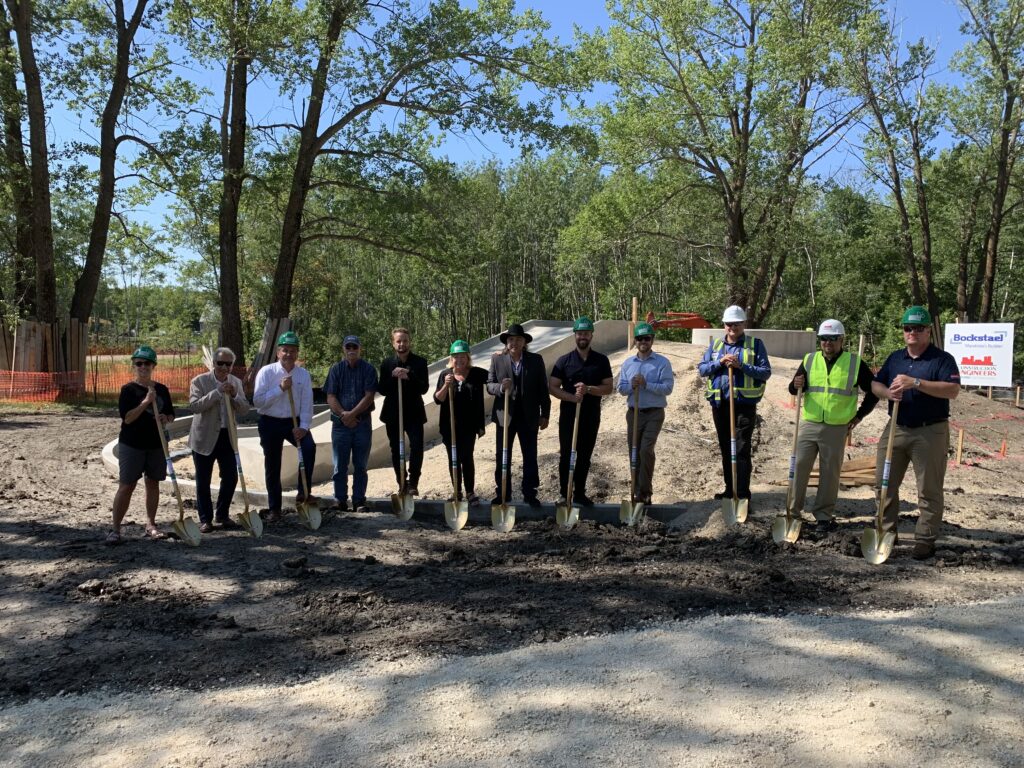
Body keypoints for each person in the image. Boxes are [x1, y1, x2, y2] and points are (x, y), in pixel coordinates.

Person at [871, 306, 960, 560]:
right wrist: (887, 393)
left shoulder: (942, 360)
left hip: (930, 431)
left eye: (918, 328)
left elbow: (952, 390)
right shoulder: (896, 358)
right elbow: (875, 383)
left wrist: (915, 383)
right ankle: (886, 531)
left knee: (929, 488)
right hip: (897, 427)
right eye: (908, 328)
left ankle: (925, 539)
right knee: (883, 483)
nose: (912, 332)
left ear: (928, 331)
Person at [787, 319, 878, 530]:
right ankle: (792, 512)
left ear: (841, 340)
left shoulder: (855, 363)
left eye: (832, 339)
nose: (827, 343)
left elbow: (873, 393)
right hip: (809, 422)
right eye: (824, 339)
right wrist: (795, 384)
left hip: (837, 427)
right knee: (799, 467)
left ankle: (823, 516)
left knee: (830, 472)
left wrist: (858, 417)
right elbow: (794, 389)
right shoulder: (809, 360)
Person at [697, 305, 772, 506]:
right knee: (725, 448)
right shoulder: (716, 347)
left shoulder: (755, 345)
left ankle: (742, 493)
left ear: (744, 324)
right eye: (729, 324)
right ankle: (729, 490)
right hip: (721, 405)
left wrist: (741, 366)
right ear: (724, 325)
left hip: (744, 405)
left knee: (740, 448)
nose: (733, 327)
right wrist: (720, 362)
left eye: (737, 324)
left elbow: (765, 372)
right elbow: (702, 369)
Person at [109, 345, 175, 543]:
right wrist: (146, 402)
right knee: (126, 486)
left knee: (153, 483)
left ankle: (151, 525)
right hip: (132, 445)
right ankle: (115, 529)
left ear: (153, 365)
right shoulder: (128, 390)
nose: (143, 367)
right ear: (134, 366)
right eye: (139, 363)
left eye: (147, 363)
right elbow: (128, 418)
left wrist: (166, 418)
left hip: (156, 444)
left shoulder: (162, 389)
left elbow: (171, 414)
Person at [549, 316, 614, 505]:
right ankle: (564, 493)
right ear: (575, 335)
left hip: (591, 416)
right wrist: (571, 397)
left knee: (585, 456)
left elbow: (608, 387)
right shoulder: (564, 361)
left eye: (586, 333)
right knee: (567, 455)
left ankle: (579, 493)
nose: (582, 337)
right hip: (569, 416)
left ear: (591, 335)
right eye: (579, 334)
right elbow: (552, 386)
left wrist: (589, 390)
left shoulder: (601, 361)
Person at [253, 331, 316, 523]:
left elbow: (307, 404)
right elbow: (258, 402)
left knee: (308, 448)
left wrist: (303, 427)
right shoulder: (267, 372)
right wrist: (279, 389)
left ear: (297, 353)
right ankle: (275, 508)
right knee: (273, 464)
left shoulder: (303, 375)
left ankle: (303, 493)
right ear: (278, 352)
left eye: (292, 350)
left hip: (293, 422)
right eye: (285, 350)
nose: (288, 354)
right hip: (270, 422)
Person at [187, 347, 251, 533]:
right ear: (213, 363)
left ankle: (222, 514)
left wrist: (233, 395)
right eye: (220, 363)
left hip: (227, 435)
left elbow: (245, 409)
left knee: (231, 477)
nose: (224, 367)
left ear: (232, 365)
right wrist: (216, 392)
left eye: (228, 364)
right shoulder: (199, 381)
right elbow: (195, 406)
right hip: (204, 436)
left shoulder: (236, 382)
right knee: (203, 479)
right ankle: (205, 519)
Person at [487, 323, 550, 507]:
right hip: (505, 416)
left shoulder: (535, 360)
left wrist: (545, 413)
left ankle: (529, 493)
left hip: (529, 416)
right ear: (507, 342)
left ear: (524, 342)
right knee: (503, 455)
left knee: (530, 455)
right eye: (511, 339)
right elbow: (489, 385)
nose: (514, 342)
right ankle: (503, 492)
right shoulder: (497, 359)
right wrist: (500, 388)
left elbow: (542, 389)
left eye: (518, 339)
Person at [617, 322, 674, 504]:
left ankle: (645, 492)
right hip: (633, 413)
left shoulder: (662, 363)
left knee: (645, 450)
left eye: (647, 338)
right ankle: (635, 492)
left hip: (654, 414)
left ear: (652, 340)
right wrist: (631, 386)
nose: (643, 342)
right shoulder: (628, 364)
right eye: (640, 338)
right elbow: (621, 388)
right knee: (633, 451)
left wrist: (646, 384)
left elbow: (668, 388)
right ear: (635, 341)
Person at [324, 335, 378, 513]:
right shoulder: (336, 370)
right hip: (340, 425)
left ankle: (359, 500)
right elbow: (330, 396)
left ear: (360, 349)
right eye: (348, 347)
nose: (351, 350)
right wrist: (343, 415)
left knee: (361, 465)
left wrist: (353, 414)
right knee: (340, 465)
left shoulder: (369, 369)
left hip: (362, 424)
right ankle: (339, 500)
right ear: (344, 349)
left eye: (355, 346)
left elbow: (369, 395)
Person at [433, 340, 488, 505]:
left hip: (469, 426)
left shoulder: (477, 373)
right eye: (456, 357)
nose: (459, 360)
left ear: (468, 357)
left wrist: (501, 356)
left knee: (467, 457)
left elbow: (494, 377)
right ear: (451, 358)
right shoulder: (445, 375)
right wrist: (446, 386)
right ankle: (457, 490)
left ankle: (470, 492)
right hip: (450, 426)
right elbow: (437, 399)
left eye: (463, 356)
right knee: (453, 459)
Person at [379, 328, 429, 496]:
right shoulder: (387, 364)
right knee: (396, 449)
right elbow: (383, 389)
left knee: (416, 447)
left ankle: (413, 482)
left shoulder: (420, 362)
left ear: (410, 342)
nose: (402, 344)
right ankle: (401, 482)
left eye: (405, 340)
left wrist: (410, 376)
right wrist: (393, 377)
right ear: (393, 343)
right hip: (393, 414)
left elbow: (424, 388)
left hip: (414, 413)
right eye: (398, 341)